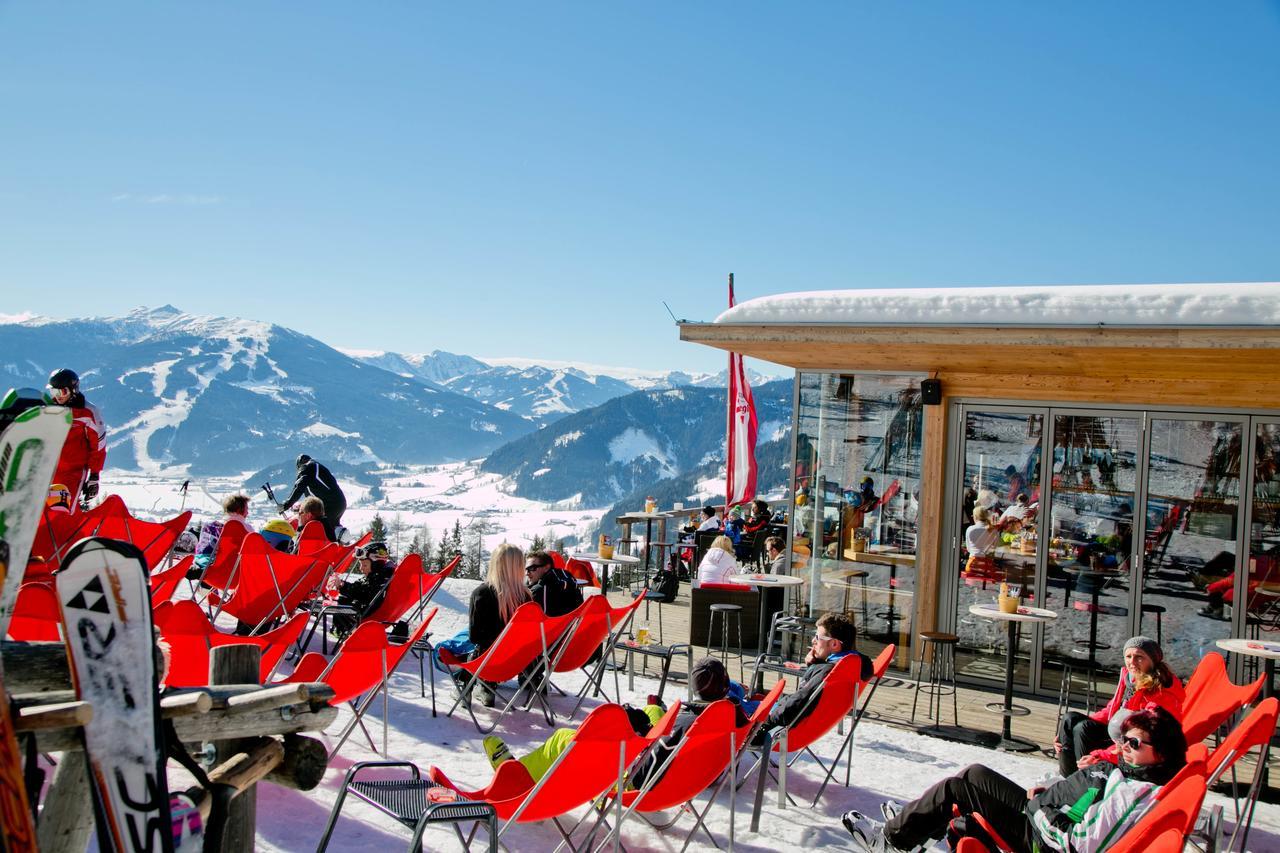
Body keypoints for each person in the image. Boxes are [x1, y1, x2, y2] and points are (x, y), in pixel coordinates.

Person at [843, 706, 1189, 853]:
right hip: (1044, 813)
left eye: (1134, 743)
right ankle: (916, 827)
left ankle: (893, 840)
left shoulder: (1134, 791)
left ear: (1161, 753)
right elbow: (1085, 802)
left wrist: (1042, 810)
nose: (1123, 747)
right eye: (1124, 740)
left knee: (957, 788)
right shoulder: (1131, 772)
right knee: (974, 772)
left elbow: (1082, 844)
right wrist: (1051, 794)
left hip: (1044, 840)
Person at [479, 657, 750, 789]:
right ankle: (651, 709)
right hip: (691, 772)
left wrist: (637, 742)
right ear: (727, 686)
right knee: (650, 714)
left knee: (565, 737)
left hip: (634, 783)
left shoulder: (687, 722)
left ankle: (516, 774)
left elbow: (652, 759)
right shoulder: (731, 714)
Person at [1056, 636, 1184, 776]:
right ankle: (1068, 778)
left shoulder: (1160, 691)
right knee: (1071, 719)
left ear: (1153, 661)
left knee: (1083, 728)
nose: (1132, 662)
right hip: (1117, 733)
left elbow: (1142, 741)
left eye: (1139, 657)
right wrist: (1064, 735)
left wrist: (1100, 756)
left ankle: (1086, 778)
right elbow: (1110, 711)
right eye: (1128, 656)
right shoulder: (1130, 679)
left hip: (1133, 745)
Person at [436, 543, 533, 707]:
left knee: (455, 649)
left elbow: (475, 637)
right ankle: (487, 688)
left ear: (495, 564)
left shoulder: (482, 593)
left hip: (486, 664)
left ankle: (465, 686)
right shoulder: (527, 598)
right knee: (490, 646)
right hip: (515, 663)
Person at [761, 612, 872, 733]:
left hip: (775, 729)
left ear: (834, 644)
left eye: (818, 637)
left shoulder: (827, 672)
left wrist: (766, 721)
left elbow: (797, 703)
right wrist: (816, 664)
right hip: (811, 726)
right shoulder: (851, 667)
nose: (813, 640)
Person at [45, 369, 107, 513]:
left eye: (62, 392)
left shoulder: (88, 412)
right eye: (54, 392)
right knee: (39, 513)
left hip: (71, 474)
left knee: (61, 512)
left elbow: (99, 445)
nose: (57, 397)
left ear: (73, 390)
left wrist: (94, 476)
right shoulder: (48, 408)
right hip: (46, 470)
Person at [332, 542, 396, 634]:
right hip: (370, 612)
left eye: (365, 565)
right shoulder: (378, 576)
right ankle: (341, 629)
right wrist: (343, 585)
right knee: (341, 600)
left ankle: (343, 630)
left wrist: (343, 586)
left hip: (368, 614)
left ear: (376, 565)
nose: (361, 569)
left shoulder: (380, 578)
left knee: (342, 602)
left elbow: (362, 592)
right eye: (360, 565)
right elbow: (360, 587)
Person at [279, 454, 347, 541]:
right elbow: (312, 495)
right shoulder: (318, 468)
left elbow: (299, 486)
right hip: (340, 503)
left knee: (316, 529)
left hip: (329, 505)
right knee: (331, 529)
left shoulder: (306, 467)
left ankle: (325, 550)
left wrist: (286, 505)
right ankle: (337, 546)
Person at [193, 494, 252, 570]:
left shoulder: (209, 526)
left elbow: (200, 550)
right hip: (231, 573)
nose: (248, 513)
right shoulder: (247, 530)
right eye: (247, 509)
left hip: (204, 569)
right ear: (239, 510)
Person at [525, 550, 583, 617]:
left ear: (546, 567)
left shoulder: (538, 591)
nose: (527, 573)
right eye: (526, 569)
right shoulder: (567, 578)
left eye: (532, 568)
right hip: (572, 625)